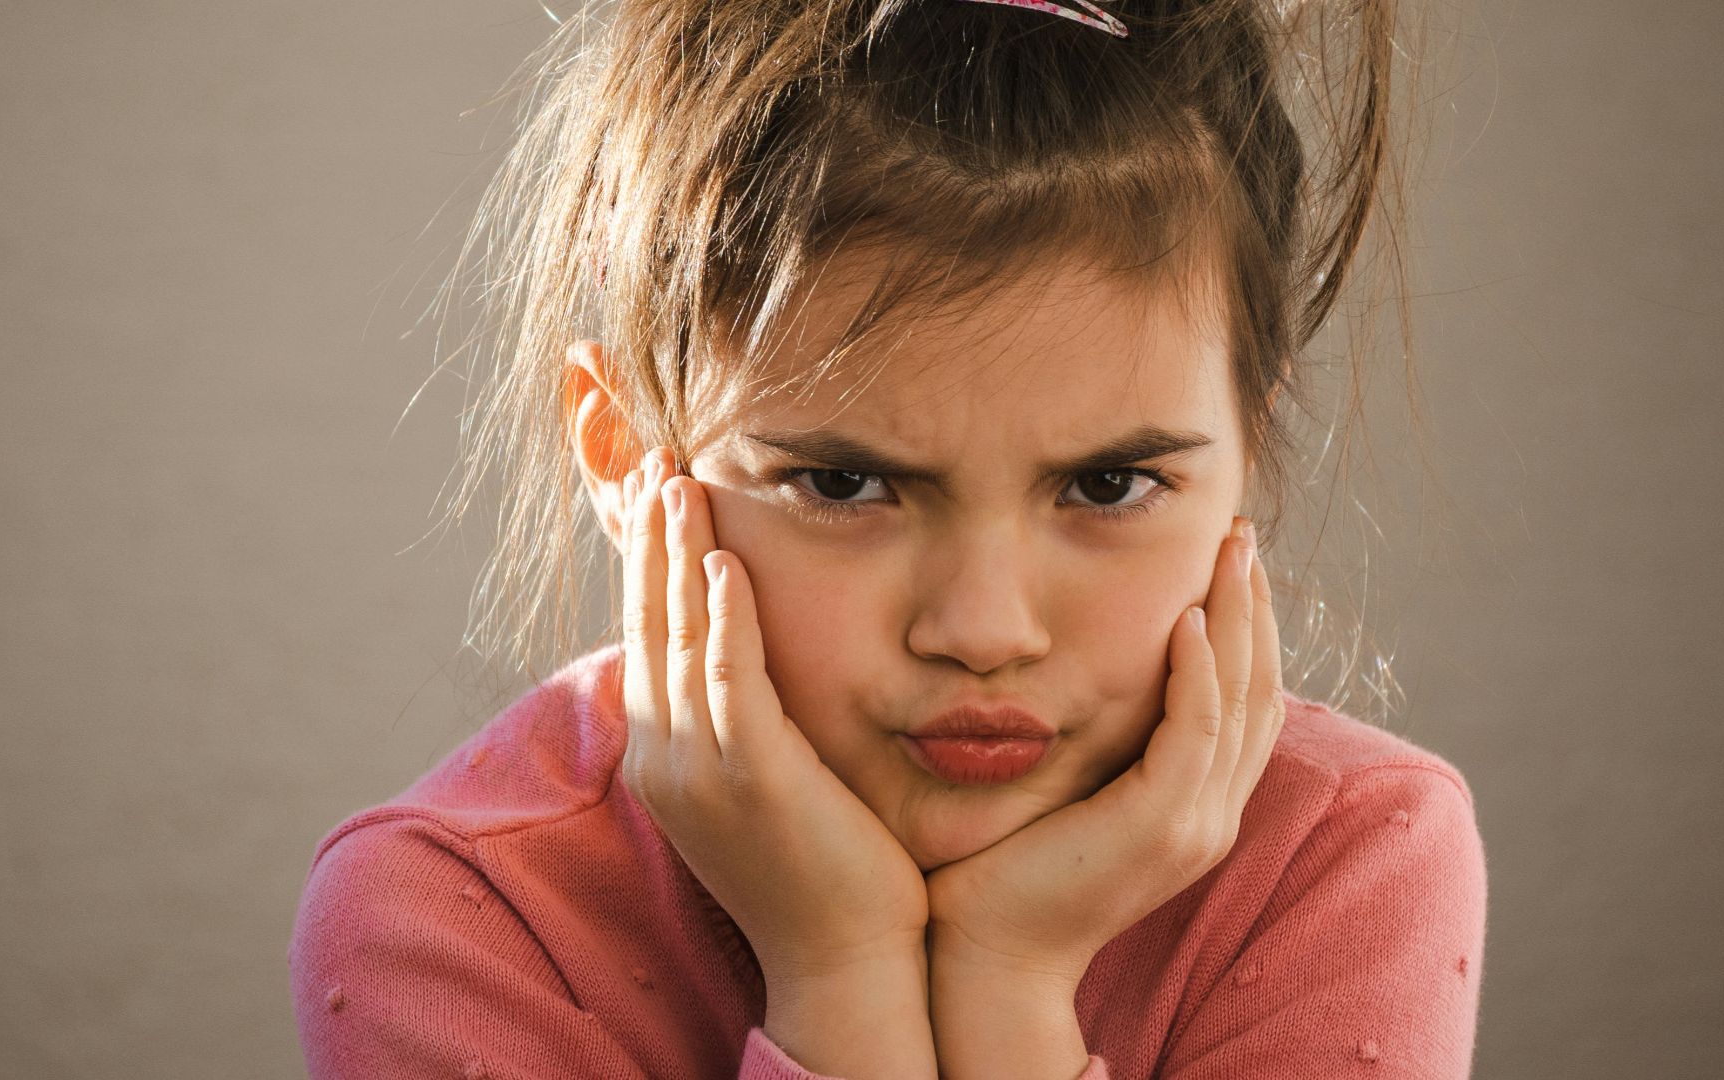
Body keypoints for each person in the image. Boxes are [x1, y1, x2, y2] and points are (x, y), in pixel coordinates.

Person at [288, 0, 1487, 1076]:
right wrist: (839, 971)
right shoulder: (451, 920)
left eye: (1110, 483)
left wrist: (1011, 980)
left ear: (1248, 444)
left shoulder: (1345, 857)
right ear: (624, 460)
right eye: (846, 483)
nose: (983, 631)